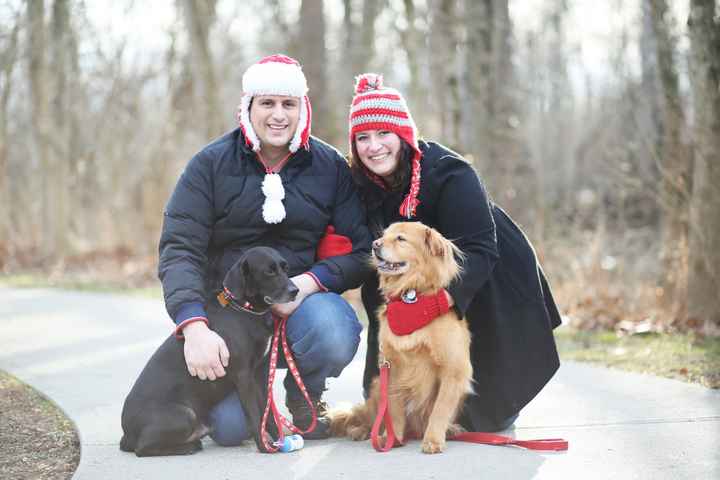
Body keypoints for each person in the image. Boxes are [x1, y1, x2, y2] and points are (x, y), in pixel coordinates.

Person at [158, 55, 371, 444]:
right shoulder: (210, 164)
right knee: (231, 430)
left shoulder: (330, 167)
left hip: (299, 306)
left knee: (335, 329)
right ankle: (239, 400)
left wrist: (306, 284)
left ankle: (305, 396)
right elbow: (179, 248)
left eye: (288, 104)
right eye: (267, 103)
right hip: (229, 315)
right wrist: (193, 325)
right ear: (248, 107)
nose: (278, 115)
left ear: (303, 109)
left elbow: (361, 252)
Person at [347, 73, 561, 432]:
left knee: (481, 417)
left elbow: (480, 249)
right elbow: (376, 276)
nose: (374, 146)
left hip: (486, 274)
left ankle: (494, 398)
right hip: (409, 279)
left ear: (403, 135)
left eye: (384, 134)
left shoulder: (449, 172)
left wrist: (438, 302)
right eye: (363, 138)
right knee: (387, 413)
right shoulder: (362, 183)